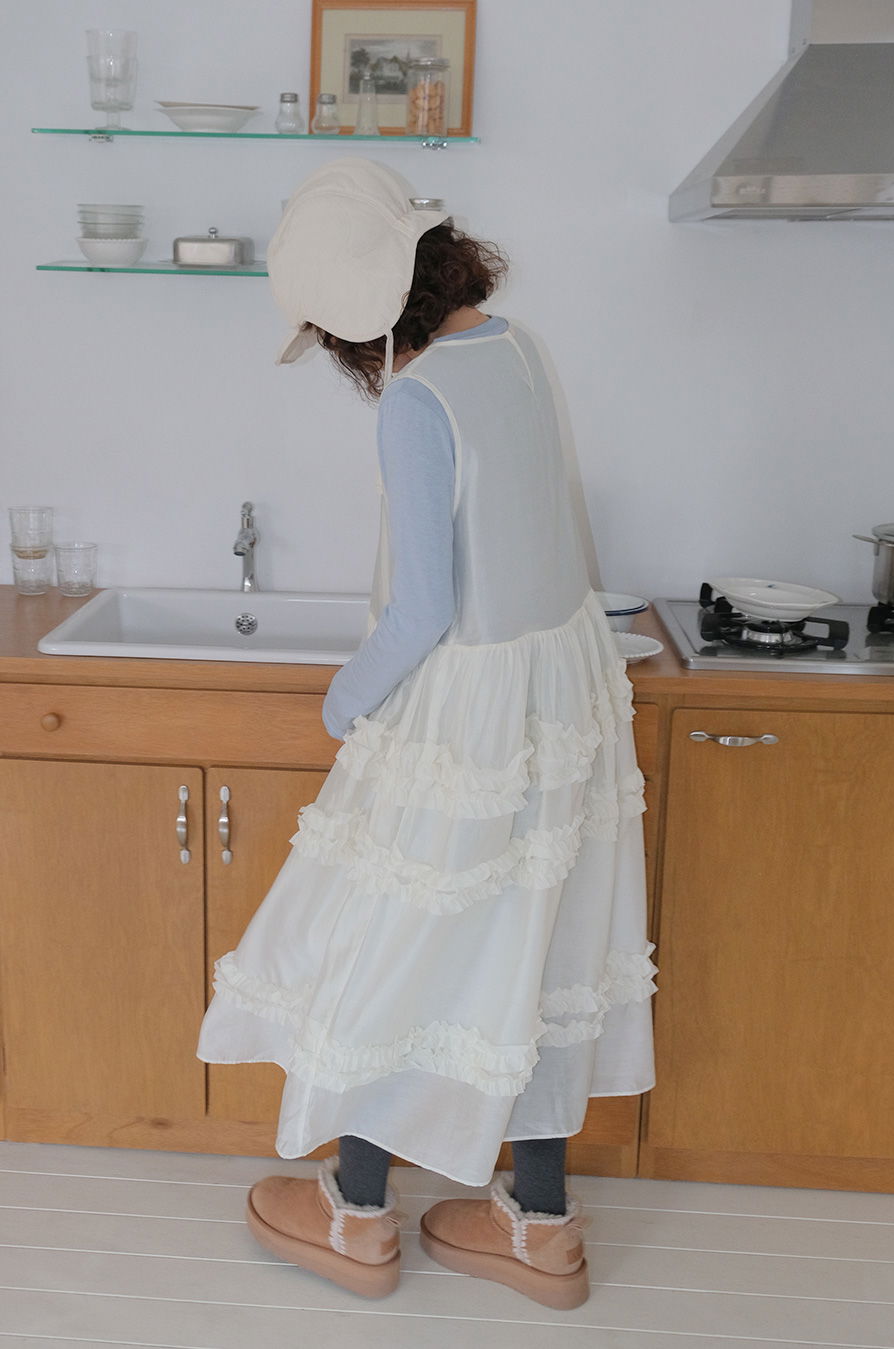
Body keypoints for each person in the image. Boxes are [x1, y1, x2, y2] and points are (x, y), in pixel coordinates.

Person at [195, 158, 658, 1311]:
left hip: (467, 710)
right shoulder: (522, 348)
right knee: (536, 943)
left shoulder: (416, 400)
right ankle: (539, 1225)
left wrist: (342, 703)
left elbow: (421, 610)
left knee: (390, 934)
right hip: (560, 691)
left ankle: (357, 1214)